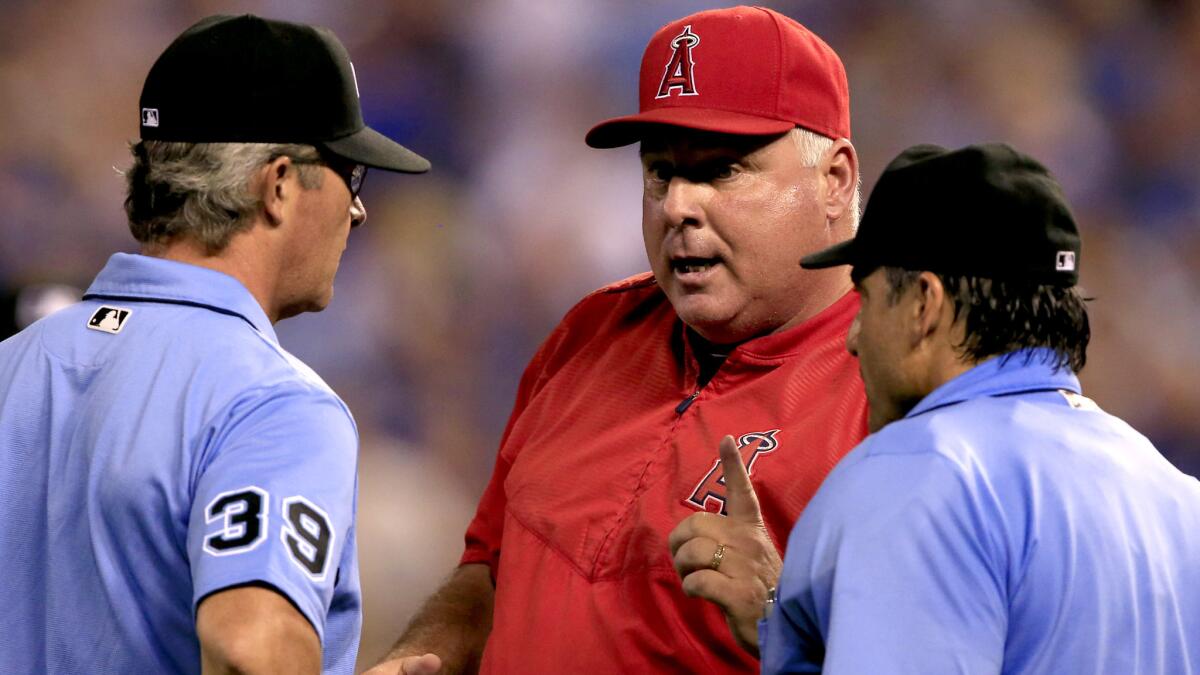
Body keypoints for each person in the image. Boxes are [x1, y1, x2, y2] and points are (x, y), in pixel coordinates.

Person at [370, 7, 867, 674]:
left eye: (721, 170)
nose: (678, 206)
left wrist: (789, 625)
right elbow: (490, 569)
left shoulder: (894, 388)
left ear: (833, 180)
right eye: (661, 171)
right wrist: (420, 654)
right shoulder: (589, 334)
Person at [0, 14, 430, 675]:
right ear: (279, 183)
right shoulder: (272, 404)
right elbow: (250, 649)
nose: (357, 209)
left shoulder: (14, 362)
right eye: (353, 175)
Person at [757, 143, 1200, 673]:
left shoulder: (917, 476)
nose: (853, 337)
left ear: (924, 304)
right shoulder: (1176, 496)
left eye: (866, 300)